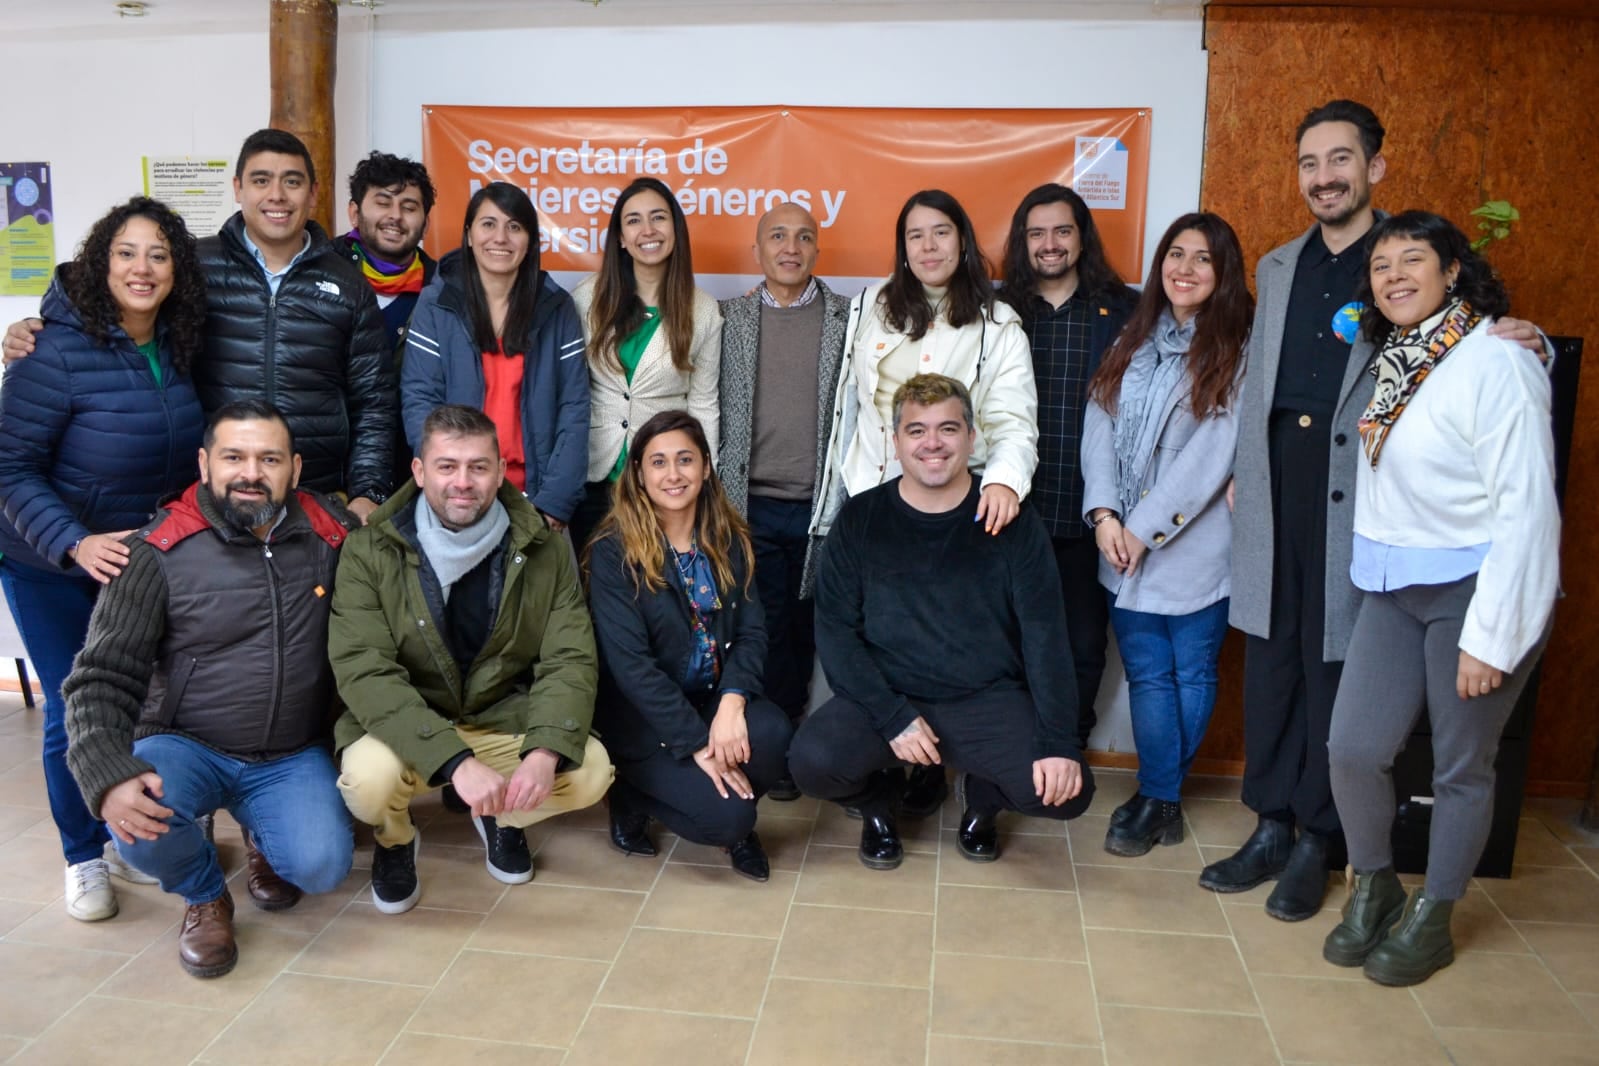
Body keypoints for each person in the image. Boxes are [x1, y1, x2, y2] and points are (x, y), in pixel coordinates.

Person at [1208, 100, 1551, 922]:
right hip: (1275, 482)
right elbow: (1258, 379)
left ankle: (1319, 841)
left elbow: (1457, 340)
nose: (1323, 177)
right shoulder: (1280, 262)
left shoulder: (1408, 257)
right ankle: (1269, 820)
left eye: (1339, 160)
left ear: (1374, 168)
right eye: (1308, 164)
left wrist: (1517, 334)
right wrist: (1239, 475)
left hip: (1357, 493)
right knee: (1272, 658)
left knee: (1336, 667)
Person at [1320, 212, 1558, 986]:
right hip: (1391, 587)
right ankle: (1376, 883)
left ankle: (1435, 913)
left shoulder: (1497, 359)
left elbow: (1527, 508)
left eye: (1410, 259)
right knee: (1352, 750)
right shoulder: (1395, 354)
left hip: (1474, 592)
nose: (1392, 275)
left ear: (1451, 269)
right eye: (1380, 264)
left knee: (1460, 766)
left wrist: (1494, 636)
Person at [61, 402, 356, 978]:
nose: (251, 473)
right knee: (134, 824)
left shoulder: (333, 534)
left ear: (294, 470)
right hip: (185, 743)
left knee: (320, 867)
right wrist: (107, 776)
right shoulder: (155, 551)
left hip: (293, 751)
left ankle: (264, 839)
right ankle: (204, 894)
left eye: (268, 458)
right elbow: (98, 676)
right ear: (204, 464)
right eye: (234, 457)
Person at [4, 129, 397, 520]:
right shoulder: (194, 266)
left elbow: (374, 402)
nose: (277, 195)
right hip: (209, 499)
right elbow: (118, 301)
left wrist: (368, 491)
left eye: (292, 182)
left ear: (312, 194)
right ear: (238, 188)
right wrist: (44, 323)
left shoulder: (348, 284)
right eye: (261, 180)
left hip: (314, 496)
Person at [0, 196, 208, 922]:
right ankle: (82, 856)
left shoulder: (180, 346)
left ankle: (123, 832)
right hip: (48, 564)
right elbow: (10, 467)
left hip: (137, 565)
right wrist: (72, 542)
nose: (142, 268)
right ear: (100, 263)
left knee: (134, 708)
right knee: (72, 708)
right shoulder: (52, 347)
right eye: (126, 252)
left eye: (158, 254)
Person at [790, 374, 1093, 869]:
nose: (933, 443)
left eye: (948, 429)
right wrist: (892, 716)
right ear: (896, 442)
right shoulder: (861, 520)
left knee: (1065, 793)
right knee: (811, 764)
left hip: (985, 699)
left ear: (971, 438)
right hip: (889, 698)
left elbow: (1046, 638)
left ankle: (984, 800)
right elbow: (836, 634)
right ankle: (878, 806)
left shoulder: (1011, 522)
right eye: (917, 430)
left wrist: (1058, 741)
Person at [331, 405, 612, 914]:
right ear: (419, 472)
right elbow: (364, 669)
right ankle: (396, 841)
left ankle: (499, 816)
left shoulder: (544, 549)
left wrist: (545, 752)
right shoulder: (368, 551)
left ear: (501, 471)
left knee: (589, 771)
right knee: (367, 782)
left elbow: (569, 659)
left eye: (479, 467)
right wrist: (456, 762)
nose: (463, 482)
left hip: (500, 715)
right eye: (447, 466)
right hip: (410, 723)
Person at [812, 188, 1039, 818]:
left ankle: (983, 791)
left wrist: (1005, 481)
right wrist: (851, 502)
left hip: (965, 510)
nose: (929, 246)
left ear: (963, 241)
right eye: (916, 235)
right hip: (878, 509)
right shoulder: (871, 310)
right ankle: (896, 784)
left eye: (941, 232)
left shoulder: (997, 323)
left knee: (970, 648)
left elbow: (1014, 418)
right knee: (880, 644)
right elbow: (851, 410)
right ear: (902, 248)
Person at [1080, 212, 1253, 856]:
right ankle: (1162, 798)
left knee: (1191, 670)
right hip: (1118, 542)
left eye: (1202, 258)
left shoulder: (1236, 348)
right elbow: (1098, 424)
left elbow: (1213, 453)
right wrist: (1103, 517)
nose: (1184, 268)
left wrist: (1141, 528)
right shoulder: (1135, 337)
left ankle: (1158, 798)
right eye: (1175, 255)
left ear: (1224, 273)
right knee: (1149, 673)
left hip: (1194, 546)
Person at [585, 410, 793, 880]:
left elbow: (754, 632)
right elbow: (631, 667)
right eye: (658, 462)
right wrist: (698, 743)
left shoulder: (729, 539)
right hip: (647, 721)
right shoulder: (613, 550)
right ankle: (634, 795)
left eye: (685, 459)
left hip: (709, 702)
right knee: (729, 821)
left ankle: (719, 795)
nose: (673, 474)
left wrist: (732, 704)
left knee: (775, 733)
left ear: (704, 467)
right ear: (638, 473)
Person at [998, 183, 1139, 750]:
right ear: (1022, 242)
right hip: (1012, 508)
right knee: (1006, 638)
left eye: (1062, 231)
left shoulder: (1125, 309)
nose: (1049, 244)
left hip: (1092, 507)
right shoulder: (999, 310)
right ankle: (1008, 748)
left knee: (1083, 643)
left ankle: (1065, 749)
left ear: (1082, 237)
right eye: (1037, 233)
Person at [717, 202, 851, 798]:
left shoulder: (851, 320)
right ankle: (770, 748)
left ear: (818, 249)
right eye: (777, 236)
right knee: (759, 625)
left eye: (804, 236)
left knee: (816, 628)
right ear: (758, 250)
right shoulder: (729, 319)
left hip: (825, 506)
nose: (790, 247)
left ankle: (817, 751)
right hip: (748, 504)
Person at [400, 181, 590, 531]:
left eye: (514, 226)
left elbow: (575, 408)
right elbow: (419, 401)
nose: (500, 237)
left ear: (531, 241)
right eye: (488, 224)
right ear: (469, 235)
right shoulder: (436, 304)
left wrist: (554, 503)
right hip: (458, 496)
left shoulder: (557, 307)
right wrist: (448, 485)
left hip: (535, 500)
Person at [568, 177, 722, 549]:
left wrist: (704, 480)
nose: (647, 230)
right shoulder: (587, 298)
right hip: (595, 477)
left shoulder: (703, 311)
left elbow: (704, 404)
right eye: (634, 220)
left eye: (658, 218)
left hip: (664, 483)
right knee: (596, 593)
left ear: (675, 230)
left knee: (657, 593)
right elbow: (569, 392)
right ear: (620, 237)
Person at [333, 150, 438, 351]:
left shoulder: (442, 289)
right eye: (382, 203)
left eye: (408, 207)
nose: (395, 216)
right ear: (355, 214)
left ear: (425, 226)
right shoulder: (320, 272)